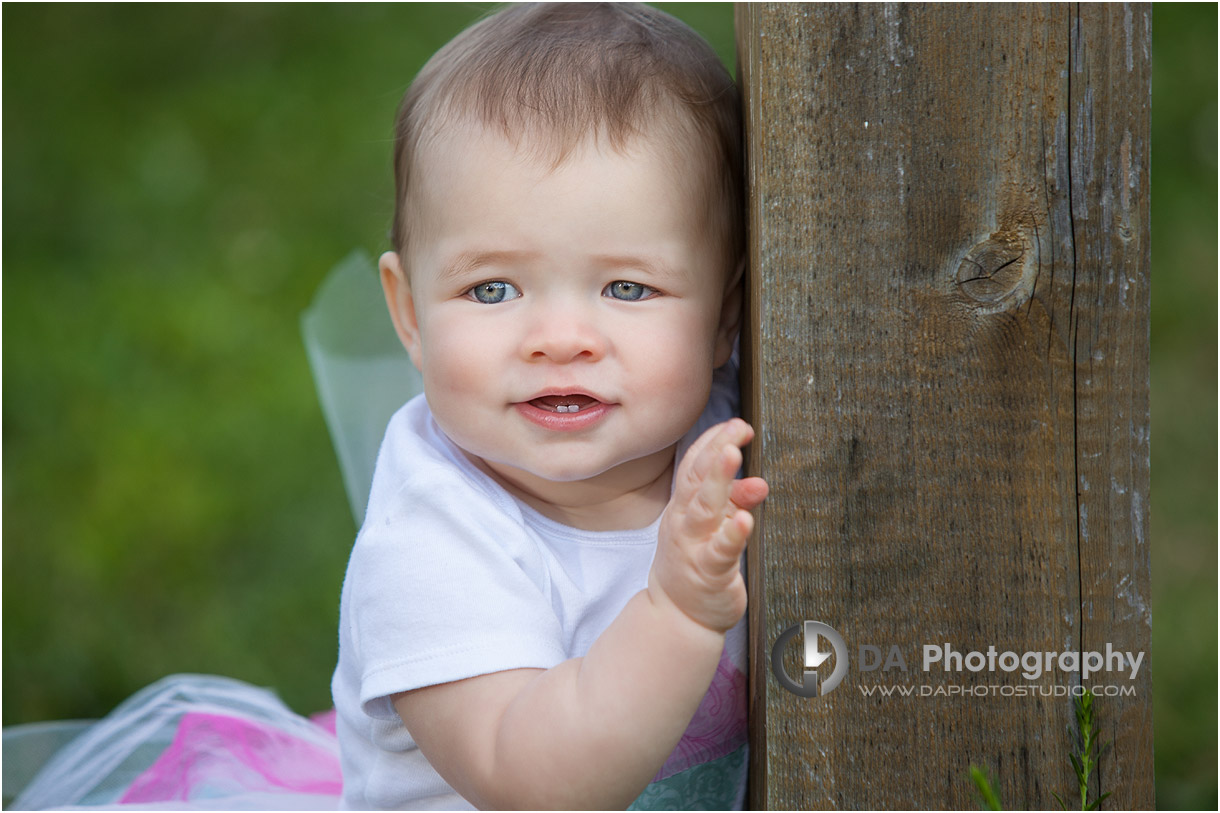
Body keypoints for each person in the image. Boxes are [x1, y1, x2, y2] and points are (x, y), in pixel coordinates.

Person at [331, 3, 769, 809]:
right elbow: (531, 779)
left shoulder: (731, 436)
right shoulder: (428, 546)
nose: (560, 339)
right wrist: (673, 613)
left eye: (627, 287)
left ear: (726, 318)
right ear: (411, 315)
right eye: (492, 288)